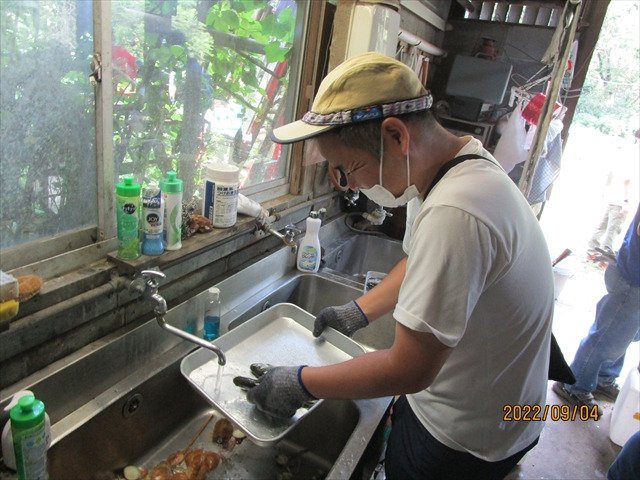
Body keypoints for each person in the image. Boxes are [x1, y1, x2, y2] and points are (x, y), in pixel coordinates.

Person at [246, 52, 554, 479]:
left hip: (467, 435)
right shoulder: (458, 167)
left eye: (348, 166)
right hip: (496, 404)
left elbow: (410, 369)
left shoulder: (456, 211)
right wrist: (360, 310)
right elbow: (416, 263)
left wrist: (302, 382)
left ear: (396, 136)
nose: (350, 183)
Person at [554, 204, 640, 416]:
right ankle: (574, 384)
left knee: (625, 333)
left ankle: (603, 376)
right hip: (633, 278)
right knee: (606, 337)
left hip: (633, 275)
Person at [586, 131, 639, 261]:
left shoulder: (626, 150)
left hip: (613, 195)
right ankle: (603, 258)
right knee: (613, 228)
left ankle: (590, 252)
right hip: (621, 199)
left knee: (602, 225)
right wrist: (626, 201)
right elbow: (627, 180)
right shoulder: (636, 154)